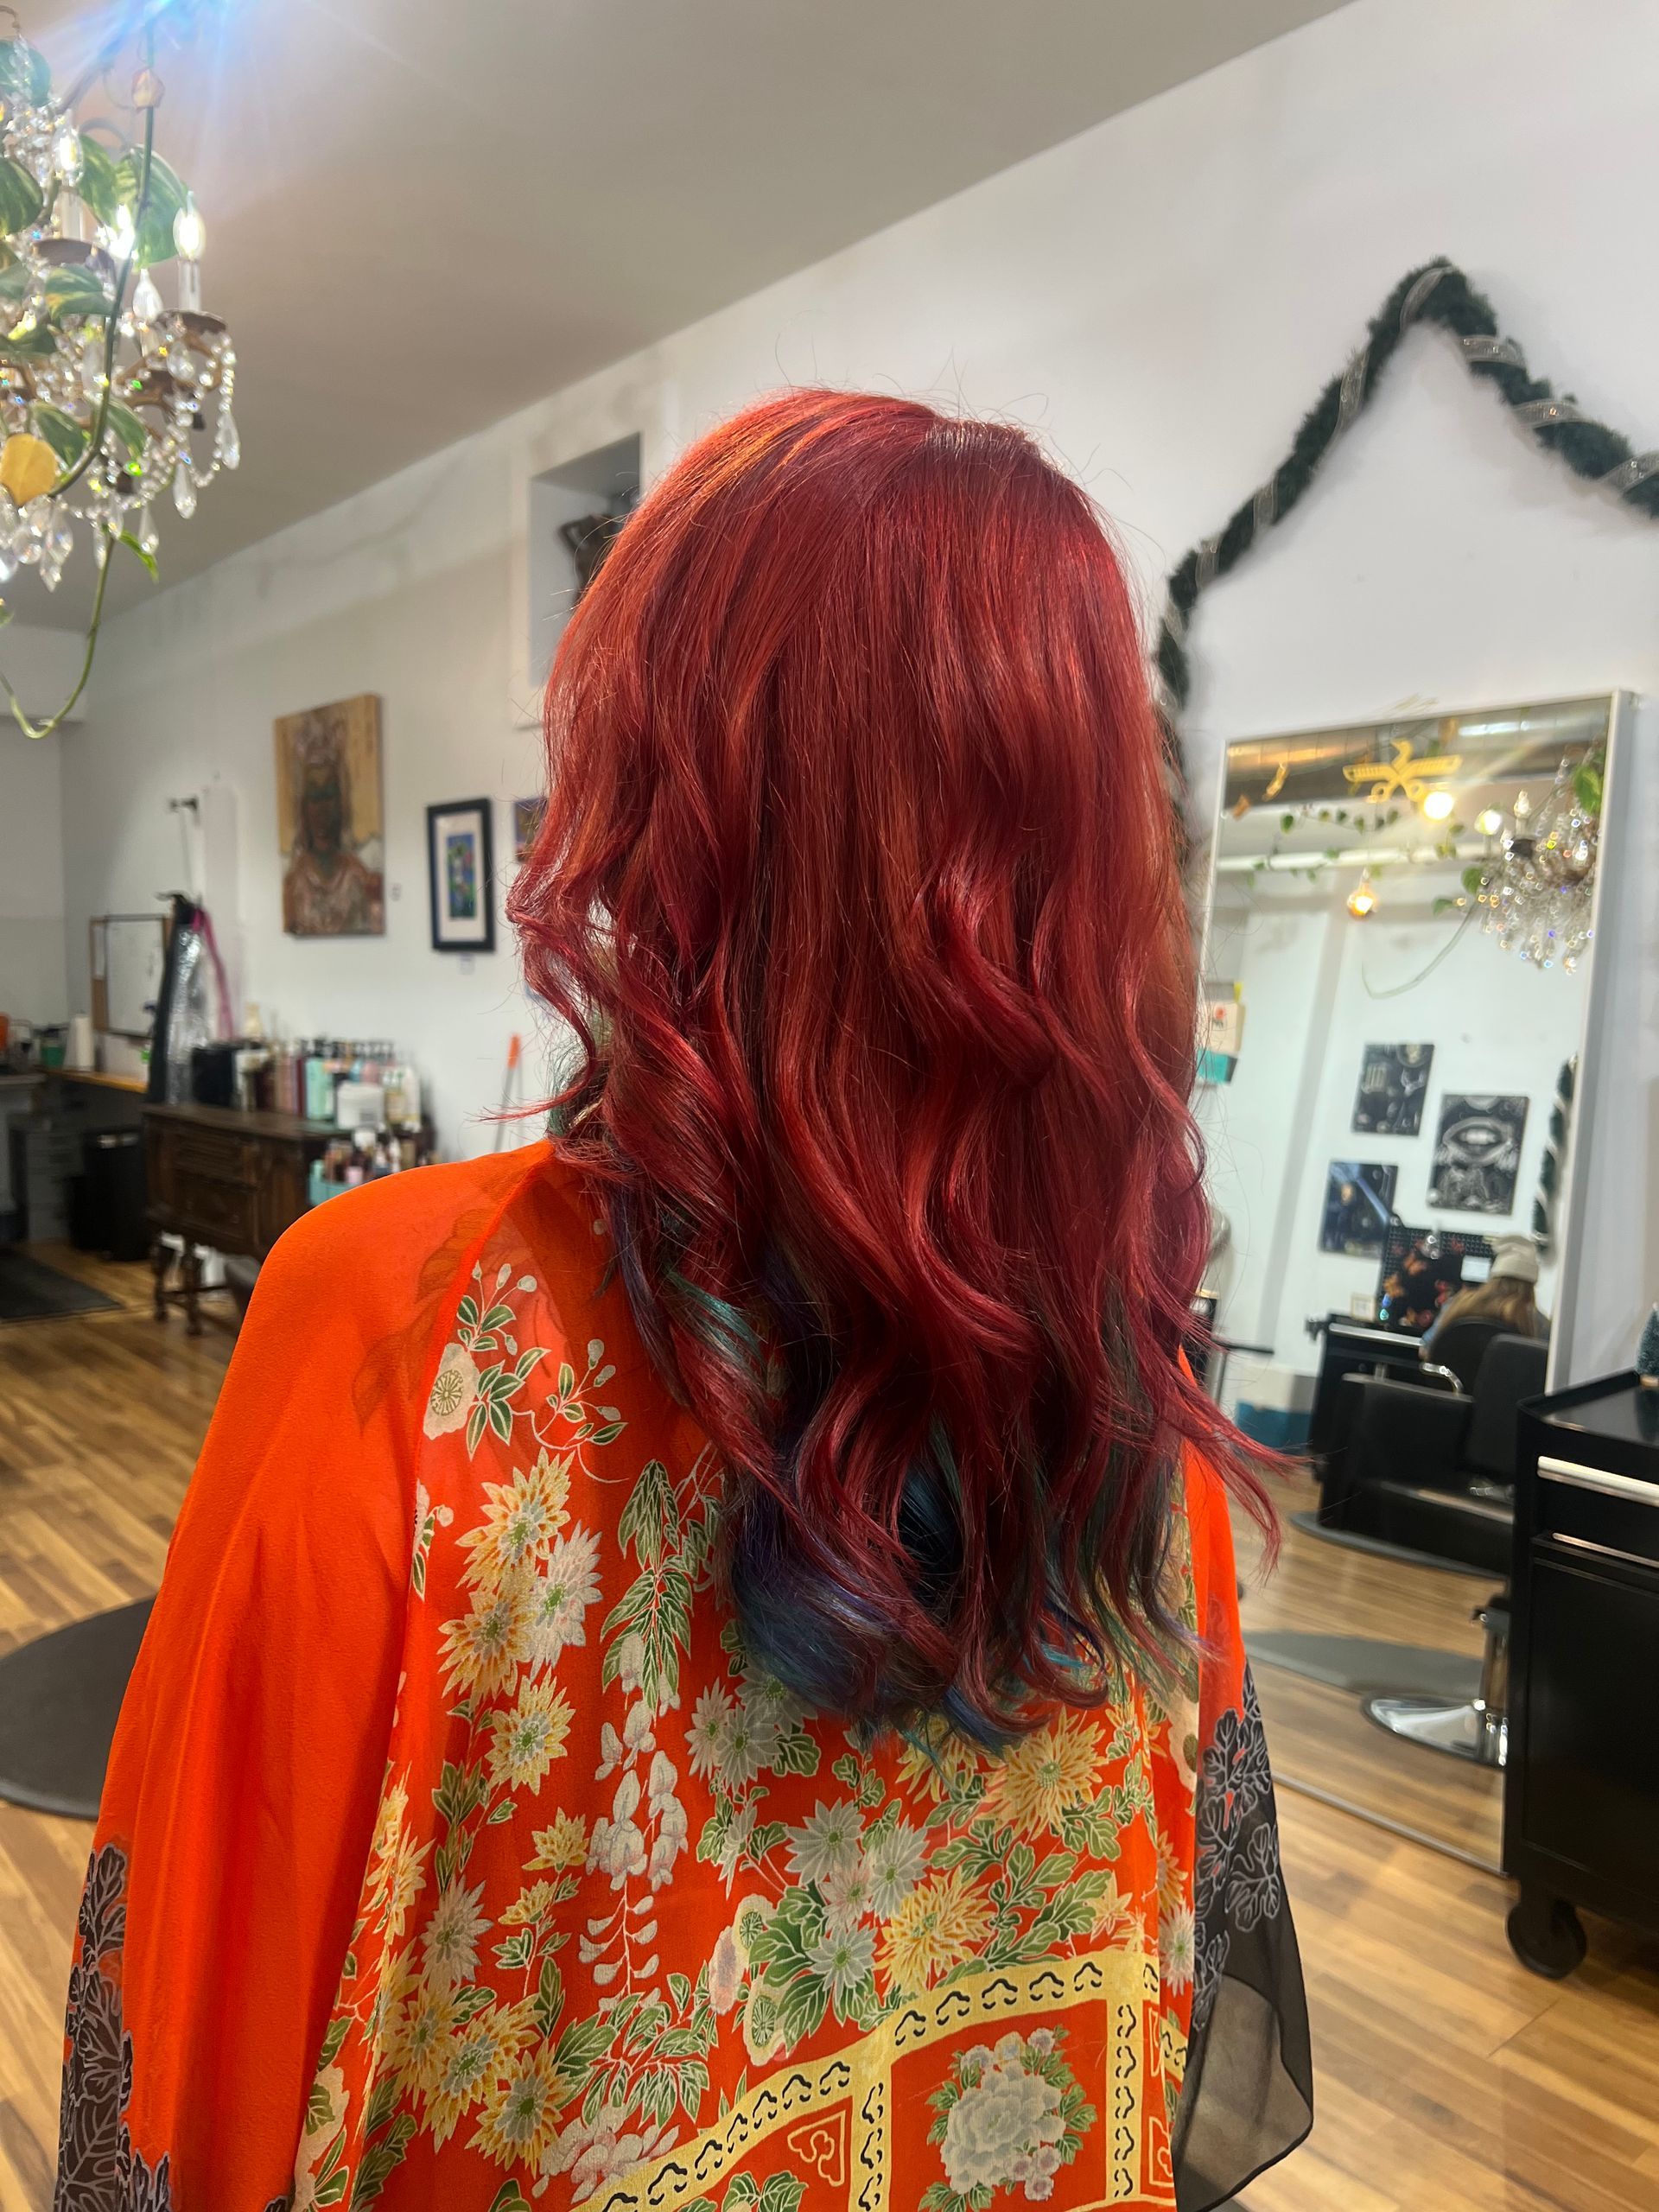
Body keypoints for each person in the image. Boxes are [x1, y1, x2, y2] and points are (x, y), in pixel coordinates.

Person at [57, 391, 1311, 2212]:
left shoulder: (411, 1330)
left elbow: (203, 2070)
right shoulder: (1132, 1409)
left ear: (674, 814)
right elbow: (1190, 2017)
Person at [1422, 1232, 1550, 1351]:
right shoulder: (1539, 1325)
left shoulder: (1456, 1304)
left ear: (1493, 1277)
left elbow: (1426, 1348)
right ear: (1531, 1286)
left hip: (1449, 1375)